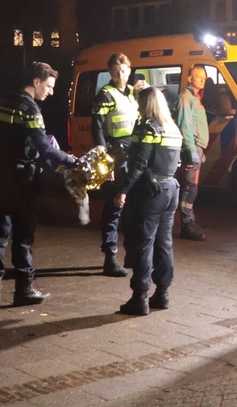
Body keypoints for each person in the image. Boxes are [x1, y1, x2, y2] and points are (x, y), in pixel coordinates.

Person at [0, 62, 77, 306]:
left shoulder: (2, 102)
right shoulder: (30, 109)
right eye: (49, 86)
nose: (51, 92)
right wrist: (71, 160)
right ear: (36, 82)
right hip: (22, 179)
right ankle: (24, 289)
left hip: (0, 175)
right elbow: (42, 146)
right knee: (23, 235)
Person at [114, 86, 182, 315]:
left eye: (140, 103)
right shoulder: (173, 129)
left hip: (151, 192)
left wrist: (123, 190)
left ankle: (139, 297)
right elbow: (179, 161)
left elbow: (138, 164)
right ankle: (162, 293)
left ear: (146, 104)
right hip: (171, 188)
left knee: (144, 243)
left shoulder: (147, 128)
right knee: (164, 243)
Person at [91, 53, 139, 277]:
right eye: (116, 71)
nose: (121, 74)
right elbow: (97, 129)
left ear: (130, 70)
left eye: (124, 70)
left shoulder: (133, 93)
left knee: (131, 207)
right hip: (115, 155)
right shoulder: (105, 95)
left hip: (132, 153)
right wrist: (105, 162)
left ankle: (131, 254)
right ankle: (110, 258)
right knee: (114, 207)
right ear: (110, 72)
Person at [174, 65, 209, 240]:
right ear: (189, 79)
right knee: (189, 188)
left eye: (204, 77)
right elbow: (184, 126)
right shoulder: (186, 97)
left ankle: (189, 222)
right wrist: (191, 150)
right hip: (191, 147)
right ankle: (186, 225)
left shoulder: (195, 97)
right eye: (198, 76)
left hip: (196, 147)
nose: (202, 80)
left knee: (192, 187)